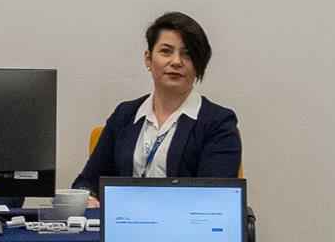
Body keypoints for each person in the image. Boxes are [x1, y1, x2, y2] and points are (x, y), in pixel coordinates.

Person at [76, 11, 240, 195]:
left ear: (198, 64)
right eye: (166, 51)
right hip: (126, 214)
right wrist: (87, 196)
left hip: (185, 215)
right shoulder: (125, 115)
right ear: (148, 59)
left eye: (187, 54)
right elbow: (87, 182)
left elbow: (215, 198)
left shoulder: (218, 122)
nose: (176, 62)